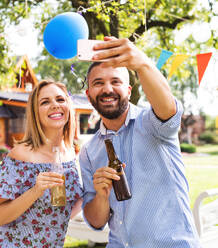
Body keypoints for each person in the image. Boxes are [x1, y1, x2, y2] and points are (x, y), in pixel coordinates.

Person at [79, 37, 201, 247]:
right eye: (98, 83)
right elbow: (96, 222)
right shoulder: (89, 151)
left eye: (115, 81)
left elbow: (169, 111)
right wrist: (101, 195)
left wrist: (142, 64)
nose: (107, 89)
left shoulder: (153, 123)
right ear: (89, 96)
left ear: (128, 90)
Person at [0, 80, 83, 247]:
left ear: (68, 105)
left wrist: (96, 192)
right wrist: (36, 191)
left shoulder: (71, 153)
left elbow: (61, 212)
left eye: (60, 99)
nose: (55, 105)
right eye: (45, 102)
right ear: (35, 112)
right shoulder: (21, 155)